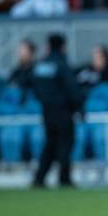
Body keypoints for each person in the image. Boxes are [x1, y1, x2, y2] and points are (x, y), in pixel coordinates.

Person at [31, 34, 83, 188]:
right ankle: (64, 178)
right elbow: (72, 89)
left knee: (50, 145)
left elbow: (34, 88)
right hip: (63, 111)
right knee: (65, 146)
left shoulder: (40, 66)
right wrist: (79, 108)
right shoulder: (61, 64)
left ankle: (40, 178)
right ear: (62, 46)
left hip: (46, 111)